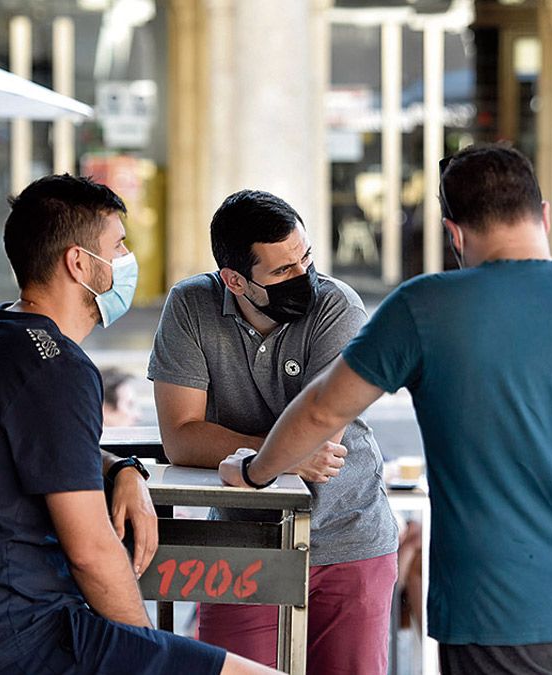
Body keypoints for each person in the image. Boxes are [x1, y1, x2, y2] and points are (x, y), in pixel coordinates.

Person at [219, 144, 552, 675]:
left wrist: (256, 471)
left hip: (497, 614)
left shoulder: (426, 307)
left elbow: (323, 412)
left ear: (454, 233)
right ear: (545, 214)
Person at [0, 174, 273, 675]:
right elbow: (92, 552)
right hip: (20, 643)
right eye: (118, 246)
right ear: (79, 263)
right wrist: (147, 651)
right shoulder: (57, 368)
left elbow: (37, 444)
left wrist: (120, 467)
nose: (126, 260)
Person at [149, 189, 399, 673]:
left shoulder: (336, 306)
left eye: (306, 258)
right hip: (240, 548)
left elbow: (322, 433)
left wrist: (253, 457)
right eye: (283, 271)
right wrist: (283, 453)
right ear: (234, 280)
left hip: (347, 538)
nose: (303, 277)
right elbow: (180, 435)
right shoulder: (189, 306)